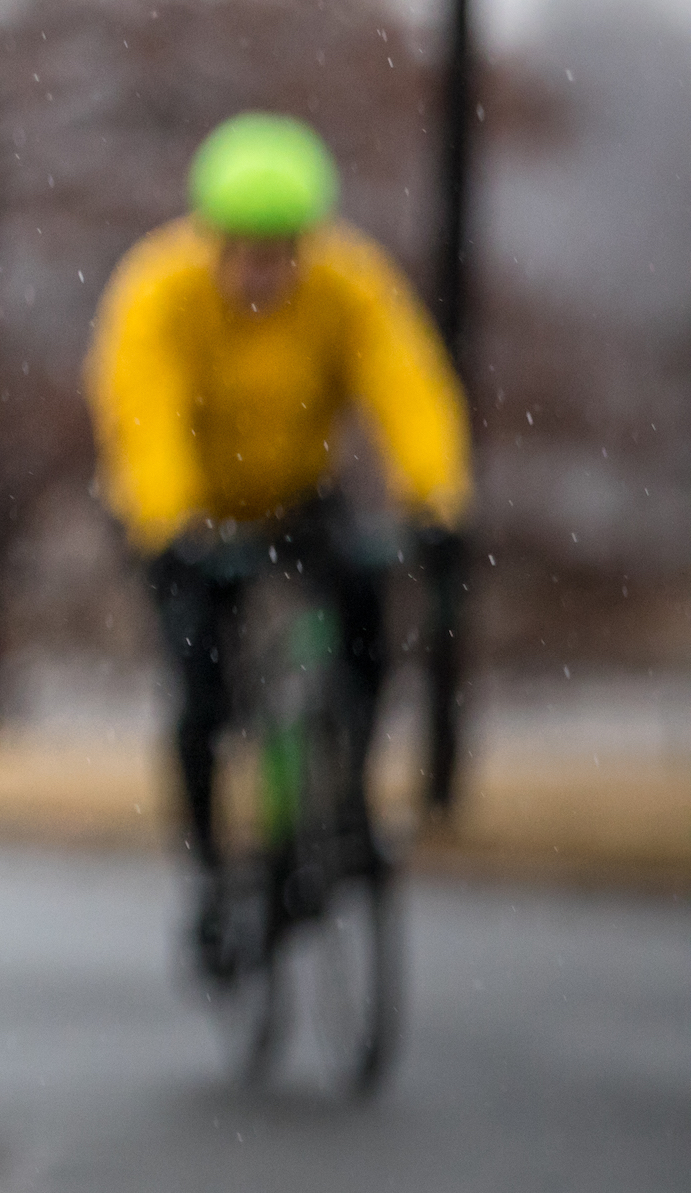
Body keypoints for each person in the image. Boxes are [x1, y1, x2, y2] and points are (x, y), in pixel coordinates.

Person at [85, 113, 468, 968]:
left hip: (299, 497)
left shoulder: (348, 283)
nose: (265, 272)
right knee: (198, 684)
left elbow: (408, 386)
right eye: (247, 253)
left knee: (365, 627)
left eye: (282, 252)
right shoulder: (158, 291)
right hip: (188, 509)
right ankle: (211, 872)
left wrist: (437, 501)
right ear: (212, 241)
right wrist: (169, 526)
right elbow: (143, 415)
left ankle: (342, 809)